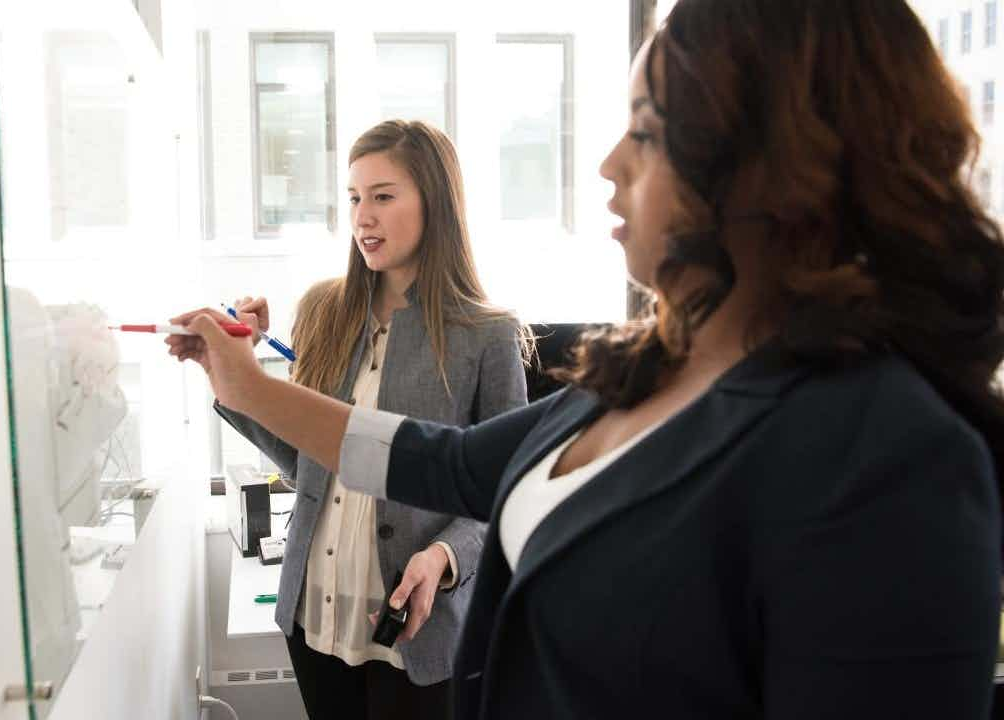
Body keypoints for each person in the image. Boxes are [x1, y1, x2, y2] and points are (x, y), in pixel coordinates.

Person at [171, 2, 1004, 717]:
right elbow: (447, 462)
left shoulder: (891, 461)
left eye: (647, 131)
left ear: (775, 167)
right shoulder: (644, 370)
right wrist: (240, 384)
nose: (609, 165)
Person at [215, 119, 530, 720]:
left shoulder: (488, 336)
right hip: (315, 615)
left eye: (383, 196)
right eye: (355, 198)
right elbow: (307, 464)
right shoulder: (323, 311)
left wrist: (442, 558)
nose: (362, 217)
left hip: (419, 631)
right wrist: (236, 374)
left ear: (435, 203)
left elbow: (503, 497)